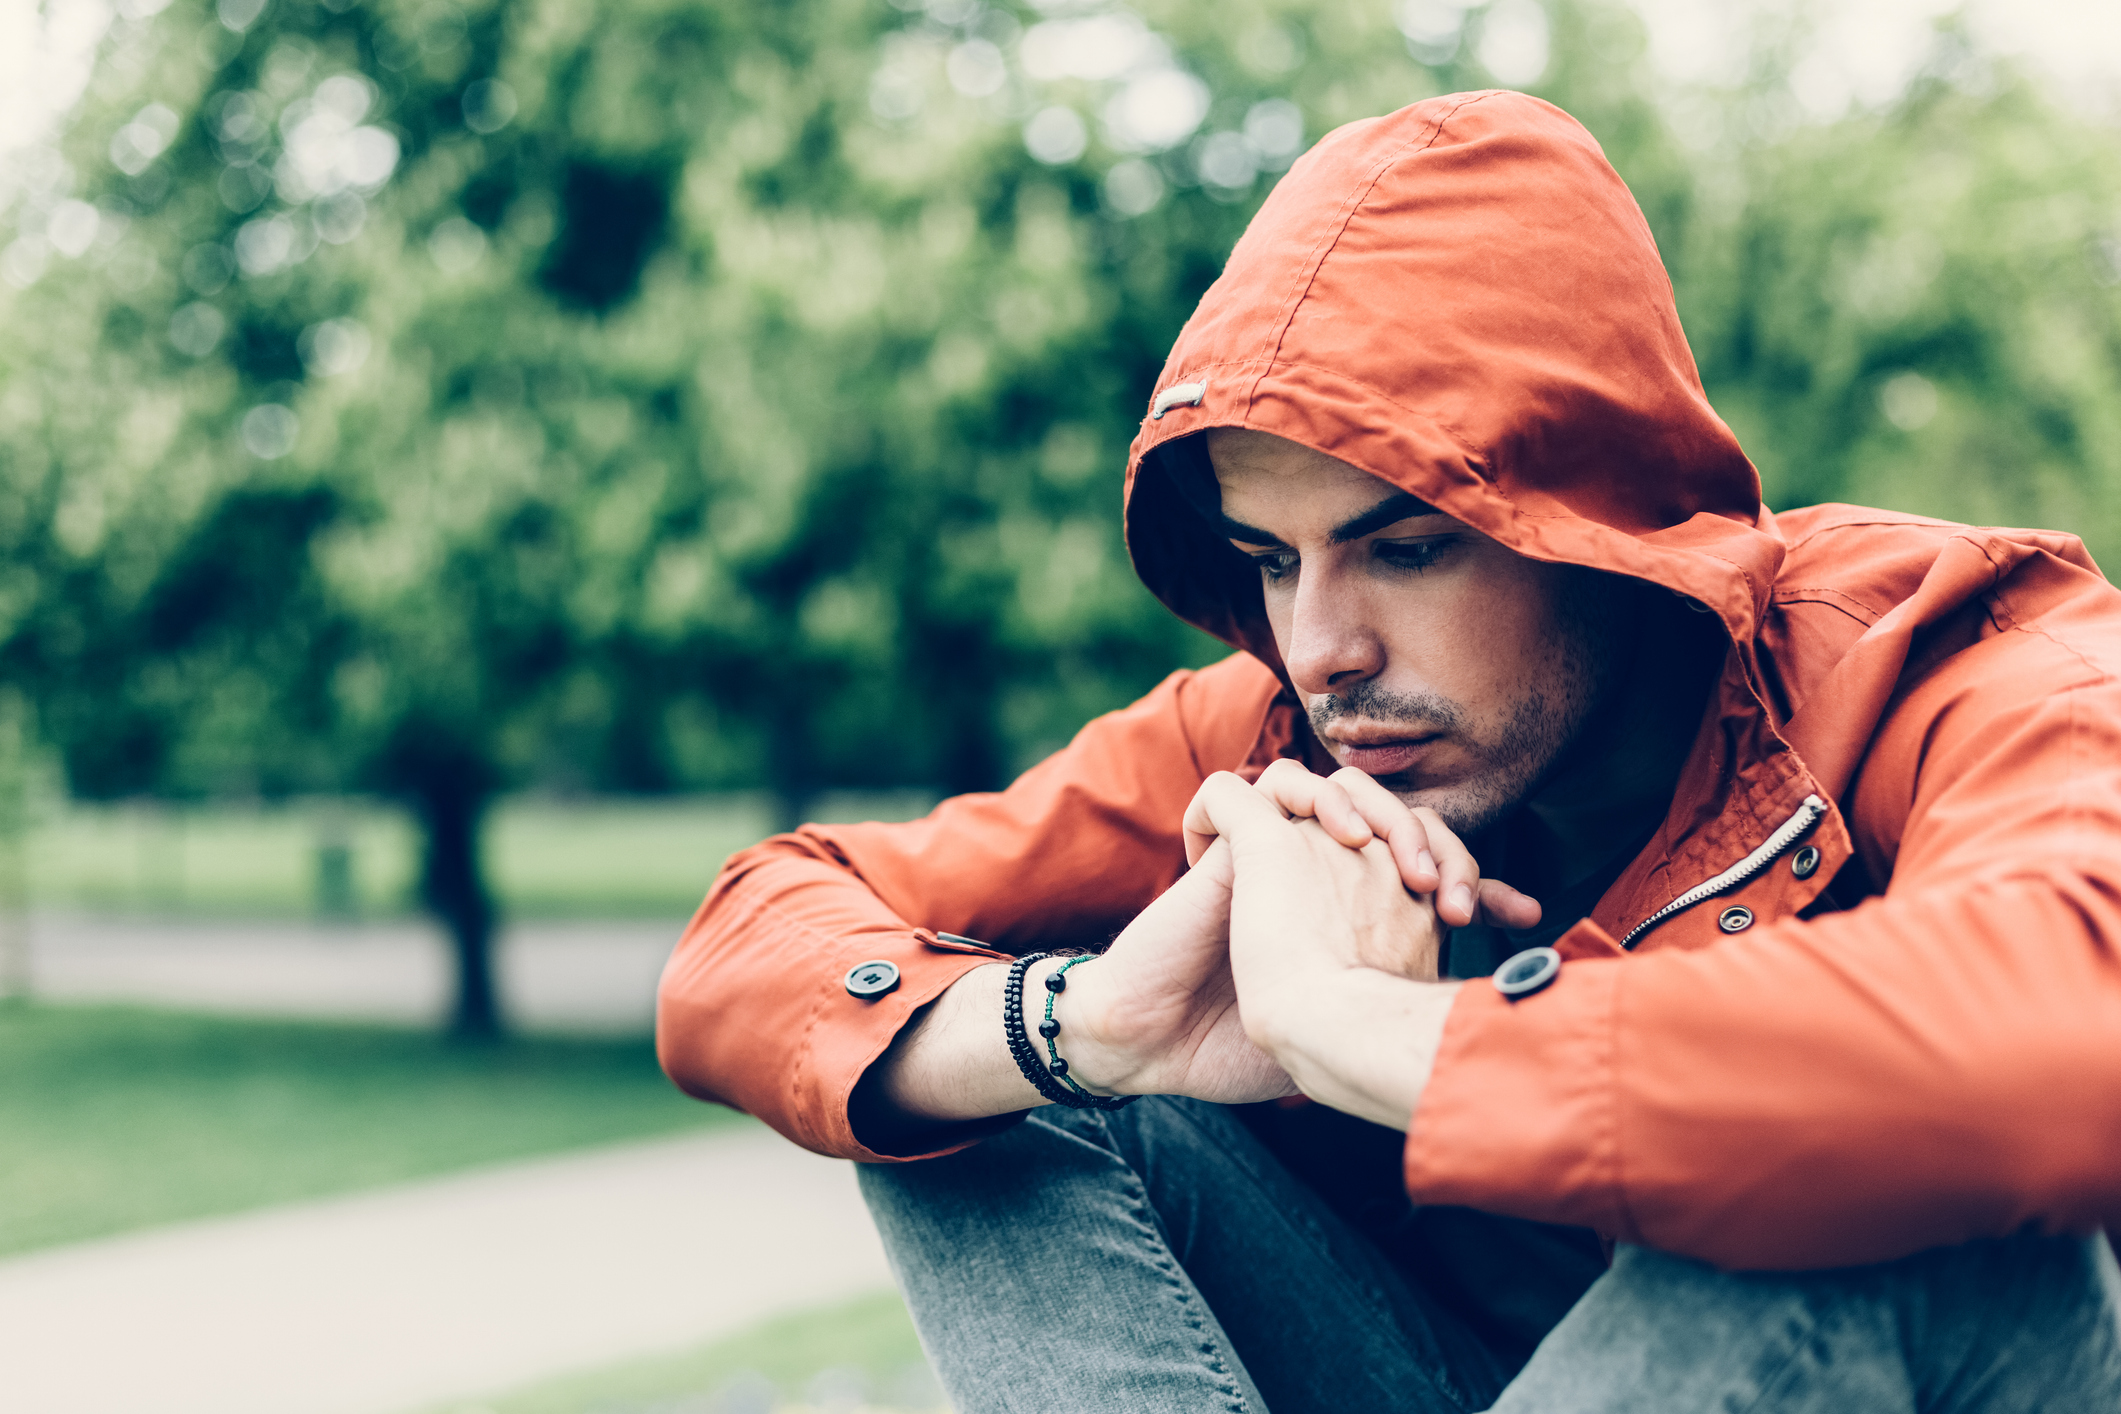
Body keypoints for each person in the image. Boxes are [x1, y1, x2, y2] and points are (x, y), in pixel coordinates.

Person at [657, 90, 2121, 1411]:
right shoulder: (1277, 744)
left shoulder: (1960, 650)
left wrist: (1360, 1028)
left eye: (1405, 547)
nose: (1321, 646)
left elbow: (2070, 1026)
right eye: (1270, 560)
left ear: (1600, 526)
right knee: (982, 1093)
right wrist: (1084, 1021)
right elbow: (756, 933)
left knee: (1887, 1201)